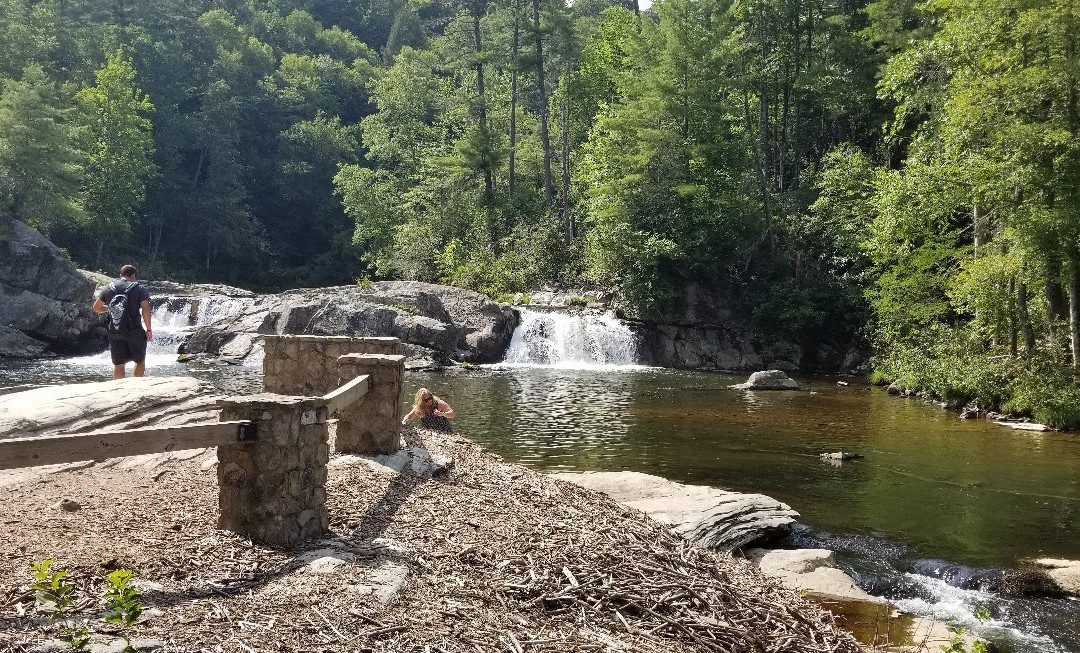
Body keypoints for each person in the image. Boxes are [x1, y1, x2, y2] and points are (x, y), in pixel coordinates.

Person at [92, 264, 153, 379]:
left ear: (120, 275)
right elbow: (146, 309)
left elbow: (96, 307)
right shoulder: (139, 288)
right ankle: (136, 385)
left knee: (118, 364)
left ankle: (118, 388)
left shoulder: (109, 288)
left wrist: (109, 308)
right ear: (134, 275)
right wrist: (149, 329)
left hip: (114, 330)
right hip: (134, 330)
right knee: (139, 360)